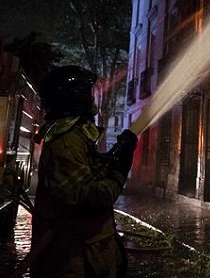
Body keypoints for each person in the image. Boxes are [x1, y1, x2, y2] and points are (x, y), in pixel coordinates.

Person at [29, 65, 137, 278]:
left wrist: (111, 158)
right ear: (76, 98)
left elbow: (85, 175)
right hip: (73, 262)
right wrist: (119, 171)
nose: (93, 98)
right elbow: (88, 199)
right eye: (89, 93)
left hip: (84, 258)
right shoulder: (67, 144)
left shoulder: (75, 138)